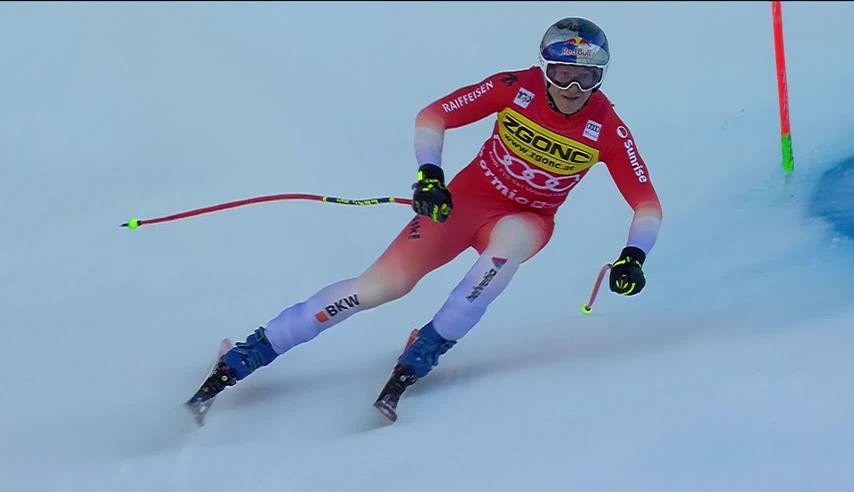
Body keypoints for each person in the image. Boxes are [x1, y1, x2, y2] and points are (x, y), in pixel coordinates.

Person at [185, 16, 663, 424]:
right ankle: (244, 355)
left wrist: (633, 257)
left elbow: (647, 204)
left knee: (509, 246)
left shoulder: (608, 130)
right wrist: (429, 176)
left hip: (527, 217)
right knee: (378, 288)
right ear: (545, 67)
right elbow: (433, 116)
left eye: (586, 77)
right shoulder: (514, 88)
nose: (573, 89)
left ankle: (427, 347)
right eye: (562, 73)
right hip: (462, 203)